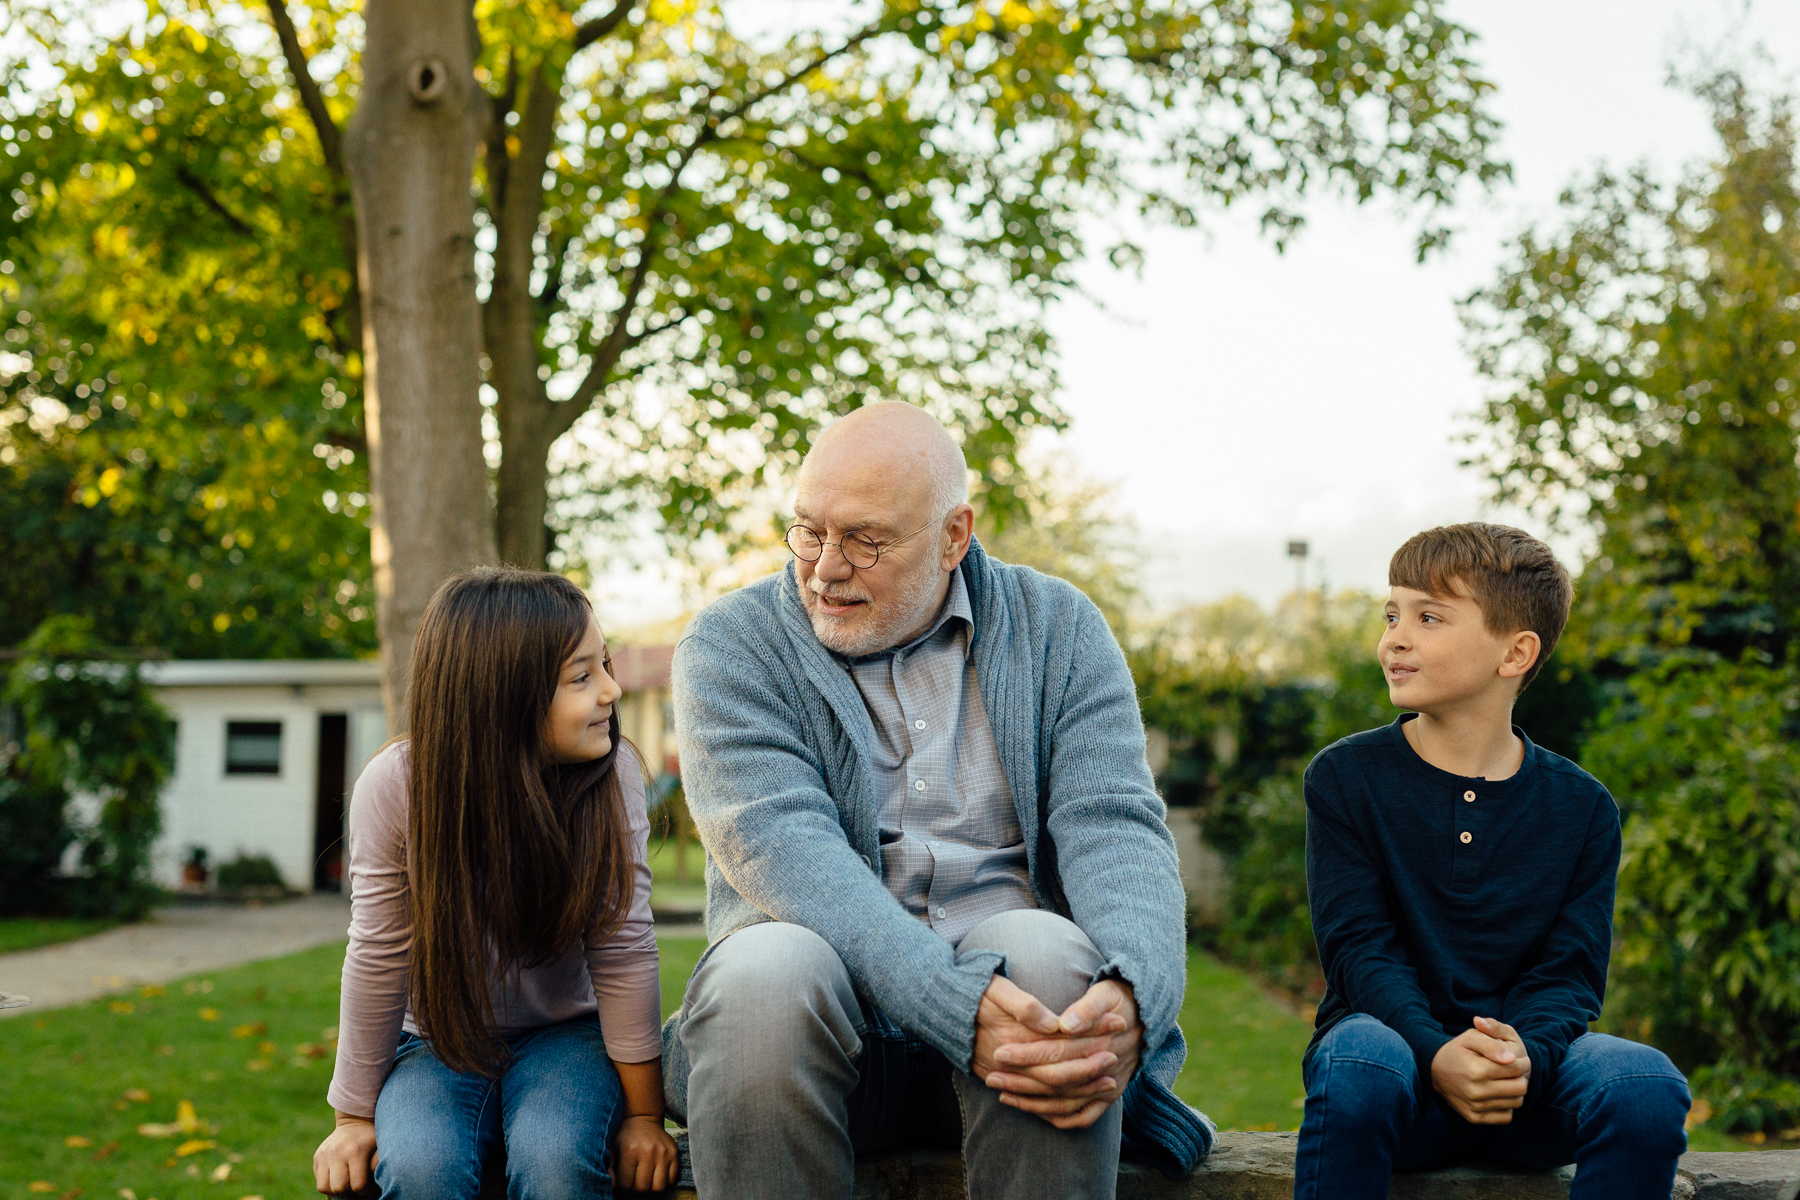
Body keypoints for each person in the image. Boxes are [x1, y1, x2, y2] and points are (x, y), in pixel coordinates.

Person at [662, 402, 1212, 1200]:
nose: (824, 568)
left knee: (1051, 954)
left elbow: (1115, 829)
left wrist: (1133, 1001)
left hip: (1024, 1046)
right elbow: (784, 849)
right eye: (809, 531)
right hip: (821, 1049)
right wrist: (952, 1003)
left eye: (865, 539)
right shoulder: (731, 646)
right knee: (764, 974)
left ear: (954, 536)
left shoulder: (1060, 628)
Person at [1295, 524, 1690, 1200]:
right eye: (1392, 614)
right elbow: (1359, 950)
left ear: (1516, 652)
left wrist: (1524, 1059)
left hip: (1526, 1088)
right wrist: (1436, 1051)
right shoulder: (1345, 778)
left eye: (1429, 617)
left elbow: (1568, 973)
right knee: (1359, 1059)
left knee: (1644, 1085)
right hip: (1395, 1075)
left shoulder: (1584, 809)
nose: (1395, 637)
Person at [311, 568, 678, 1198]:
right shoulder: (397, 786)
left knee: (556, 1162)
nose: (612, 690)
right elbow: (378, 955)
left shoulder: (607, 776)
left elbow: (622, 949)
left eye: (605, 665)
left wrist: (645, 1116)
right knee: (423, 1169)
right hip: (435, 1039)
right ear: (505, 697)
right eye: (582, 676)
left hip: (568, 1036)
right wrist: (352, 1119)